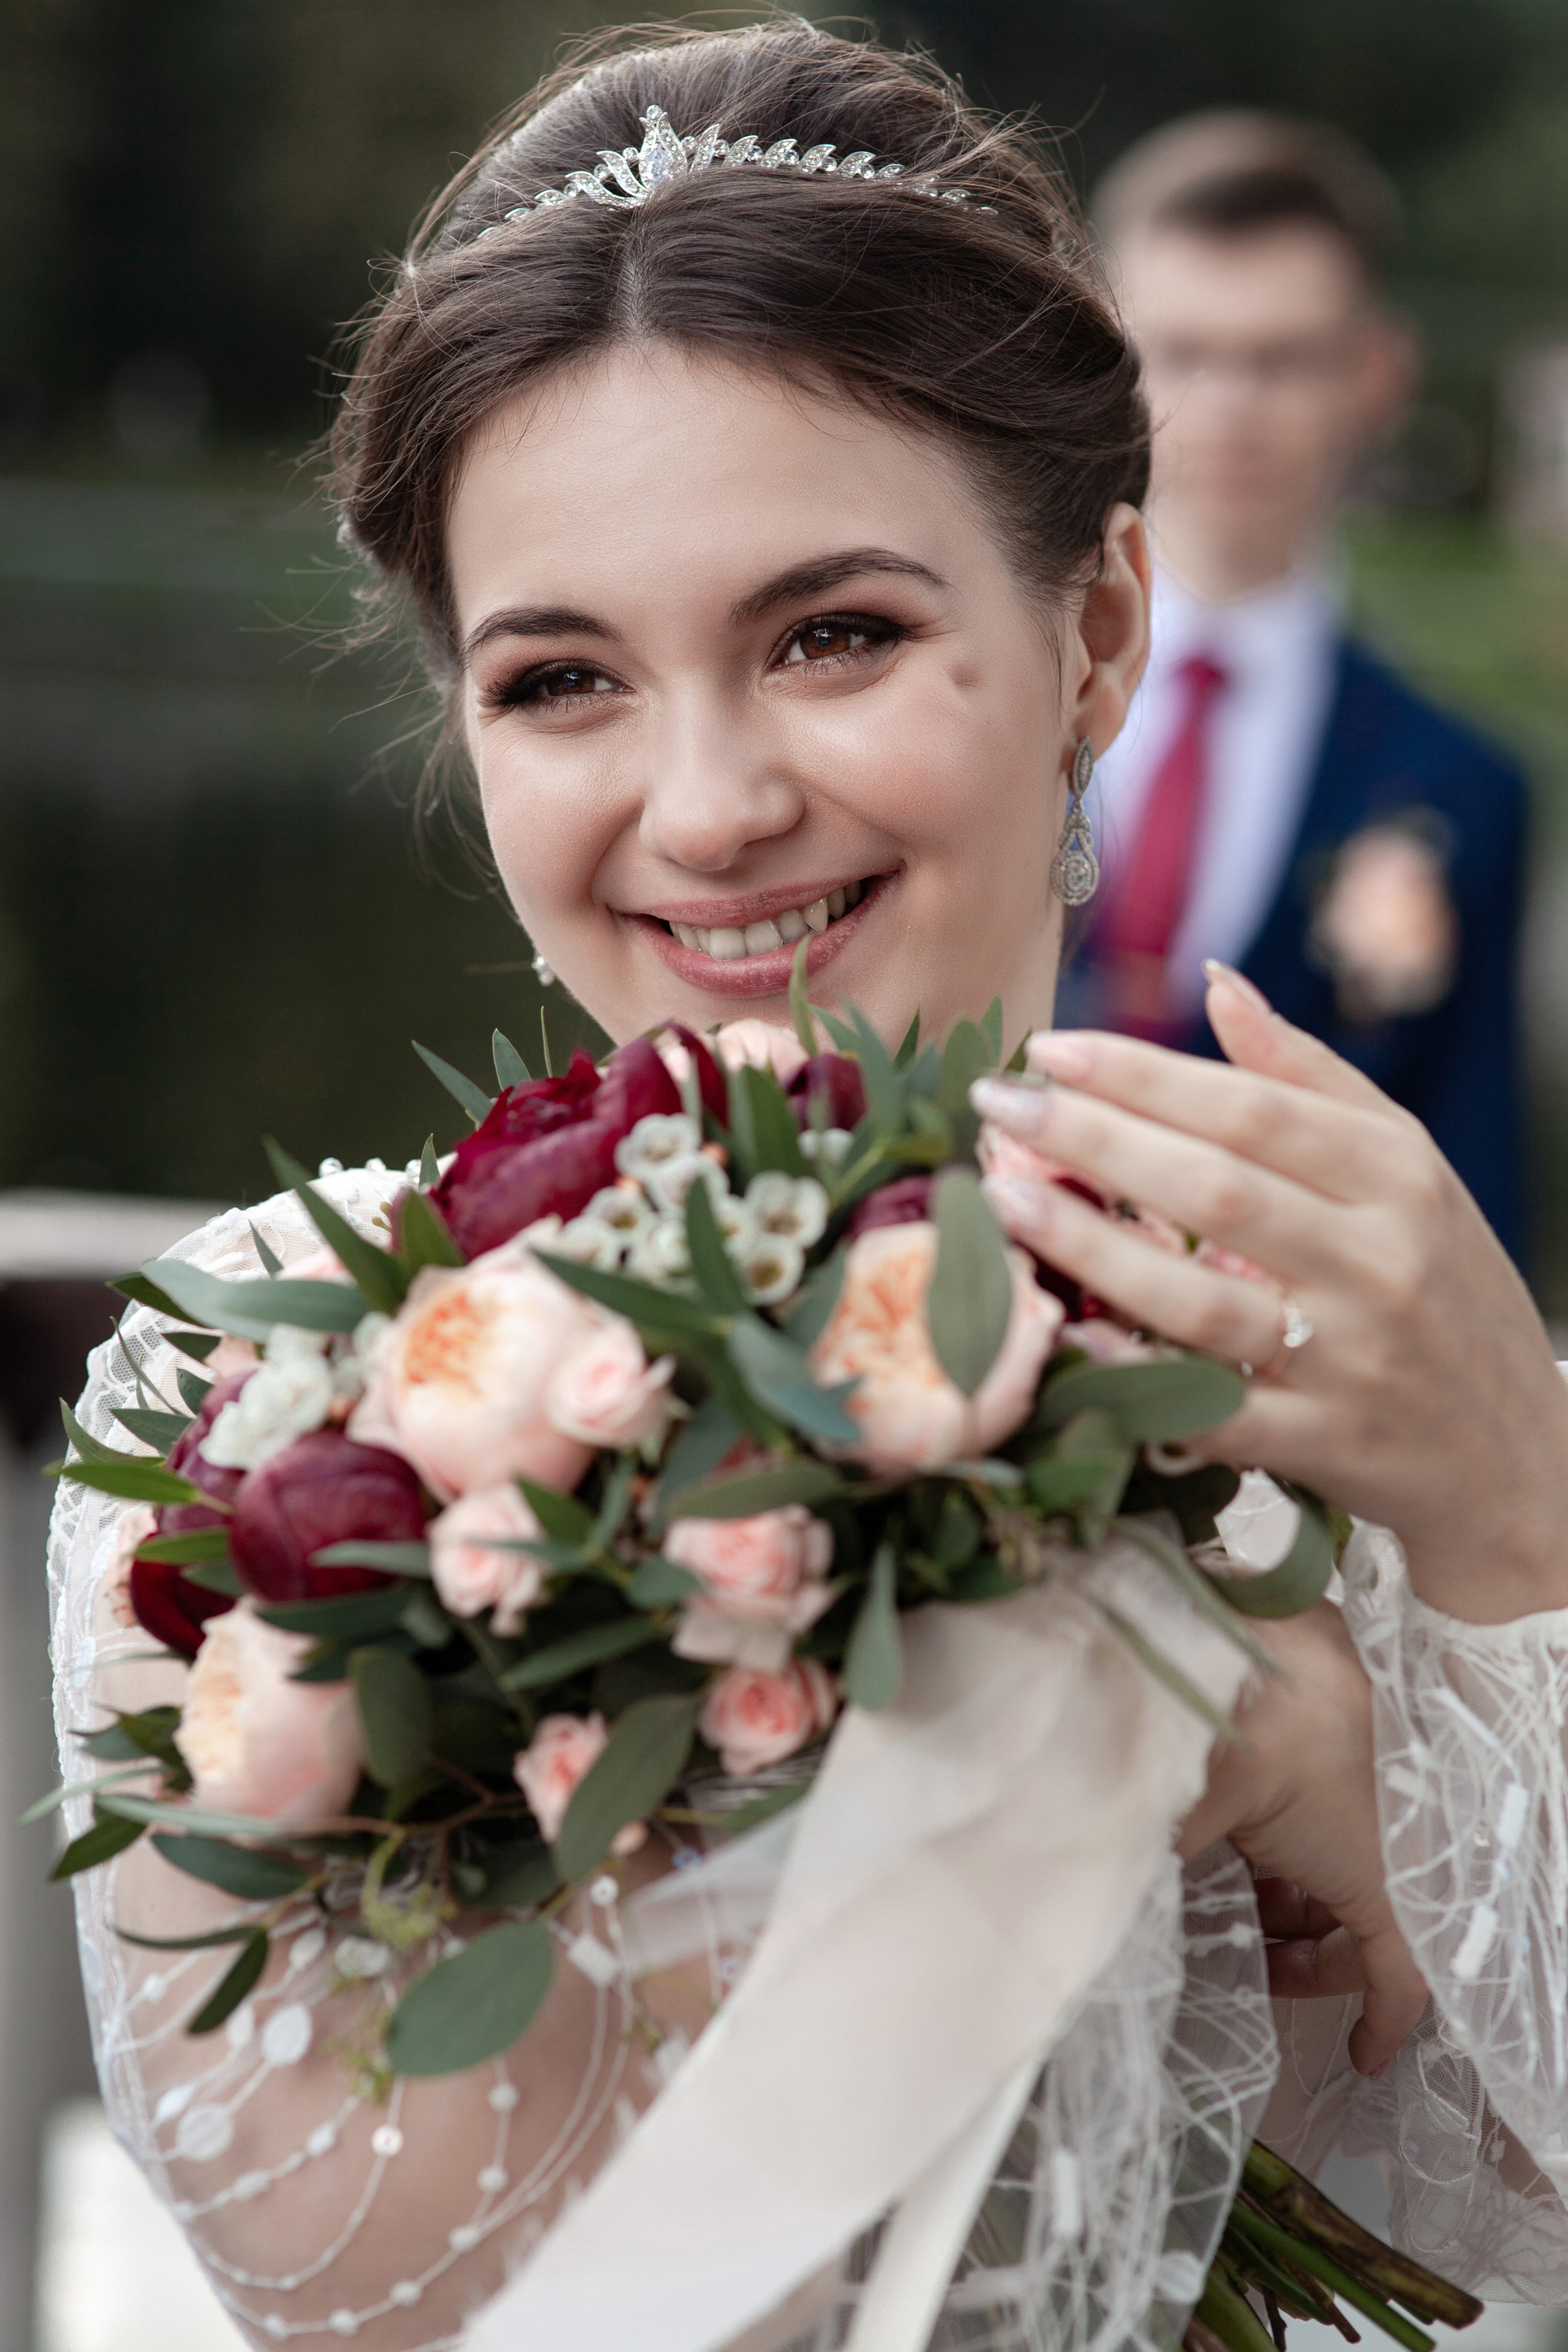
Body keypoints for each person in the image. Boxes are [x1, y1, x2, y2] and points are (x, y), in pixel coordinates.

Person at [47, 24, 1568, 2352]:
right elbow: (363, 2291)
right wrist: (1016, 1726)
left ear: (1096, 631)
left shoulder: (1407, 1396)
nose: (715, 802)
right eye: (564, 679)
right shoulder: (270, 1391)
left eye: (835, 634)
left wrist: (1504, 1565)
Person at [1063, 112, 1529, 1258]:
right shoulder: (979, 696)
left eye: (1282, 359)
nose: (1229, 403)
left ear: (1375, 373)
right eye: (1182, 351)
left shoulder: (1464, 787)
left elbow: (1469, 1192)